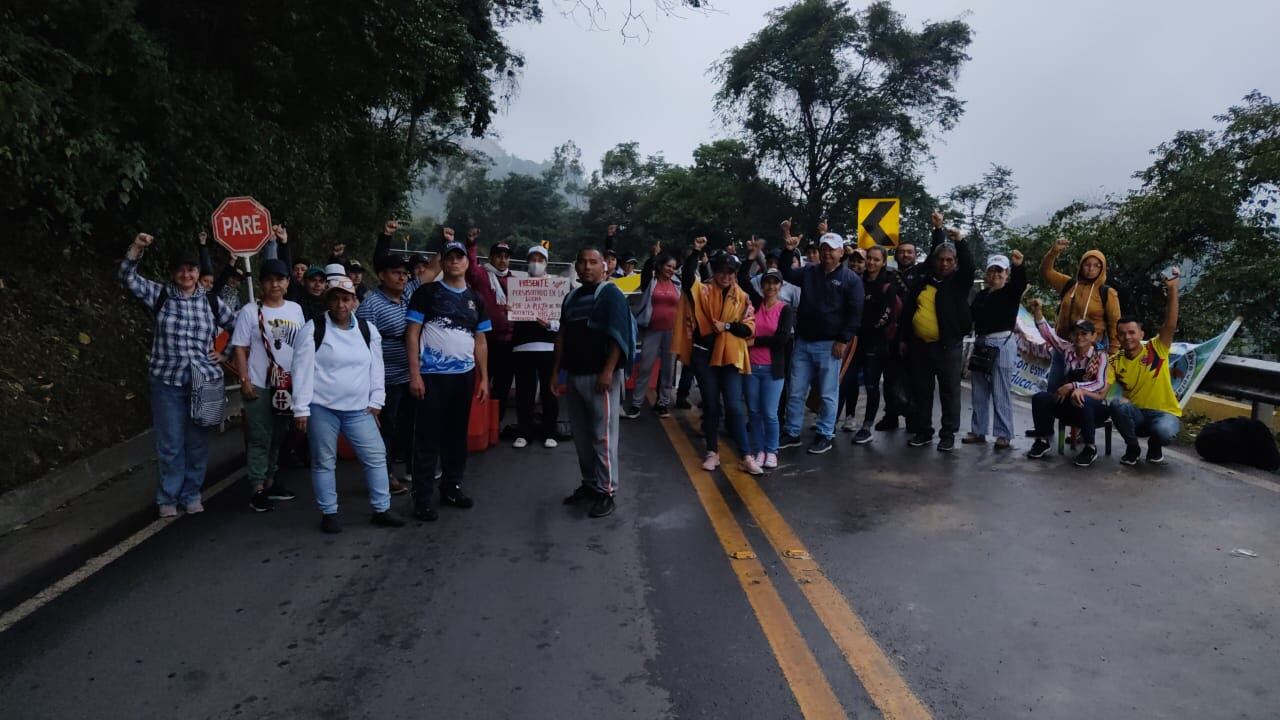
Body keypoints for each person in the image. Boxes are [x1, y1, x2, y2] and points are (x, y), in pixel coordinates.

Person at [120, 233, 238, 517]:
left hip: (204, 381)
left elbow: (237, 326)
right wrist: (136, 248)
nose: (187, 274)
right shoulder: (160, 295)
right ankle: (168, 497)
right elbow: (127, 277)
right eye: (181, 269)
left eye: (192, 269)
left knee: (197, 442)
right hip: (167, 381)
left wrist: (226, 353)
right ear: (173, 273)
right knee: (170, 443)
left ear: (199, 273)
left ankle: (192, 493)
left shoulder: (211, 301)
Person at [291, 270, 405, 533]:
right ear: (328, 301)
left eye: (346, 299)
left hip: (359, 408)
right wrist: (301, 409)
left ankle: (381, 508)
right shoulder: (314, 329)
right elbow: (302, 371)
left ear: (355, 301)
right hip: (322, 407)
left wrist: (377, 400)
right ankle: (329, 513)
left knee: (376, 457)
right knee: (323, 461)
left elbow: (377, 367)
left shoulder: (367, 329)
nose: (341, 305)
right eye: (336, 299)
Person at [405, 239, 491, 521]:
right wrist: (415, 374)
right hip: (431, 377)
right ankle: (422, 497)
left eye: (460, 257)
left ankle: (452, 487)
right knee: (427, 438)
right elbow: (413, 333)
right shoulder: (427, 293)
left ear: (467, 262)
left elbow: (480, 341)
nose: (455, 261)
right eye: (449, 257)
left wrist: (483, 378)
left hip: (464, 378)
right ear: (441, 262)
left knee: (456, 436)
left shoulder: (476, 299)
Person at [554, 247, 636, 519]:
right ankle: (589, 484)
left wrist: (608, 371)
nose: (587, 267)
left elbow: (619, 334)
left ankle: (606, 491)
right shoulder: (571, 298)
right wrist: (555, 373)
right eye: (582, 262)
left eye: (593, 262)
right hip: (575, 375)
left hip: (601, 378)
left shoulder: (610, 294)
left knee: (603, 437)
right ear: (576, 267)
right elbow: (562, 336)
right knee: (581, 437)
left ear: (604, 267)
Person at [777, 232, 863, 455]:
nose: (827, 252)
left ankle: (825, 433)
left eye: (832, 249)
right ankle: (792, 432)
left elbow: (855, 314)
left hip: (830, 345)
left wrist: (843, 339)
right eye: (824, 248)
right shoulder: (809, 272)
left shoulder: (851, 279)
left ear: (841, 252)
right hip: (804, 342)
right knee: (795, 391)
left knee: (827, 393)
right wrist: (788, 251)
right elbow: (785, 272)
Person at [355, 219, 424, 497]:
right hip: (384, 380)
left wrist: (449, 245)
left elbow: (429, 273)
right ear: (382, 275)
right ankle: (383, 477)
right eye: (395, 273)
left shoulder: (408, 294)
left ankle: (410, 470)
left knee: (409, 428)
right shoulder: (371, 304)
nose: (402, 277)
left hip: (410, 374)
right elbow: (360, 343)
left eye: (404, 274)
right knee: (385, 431)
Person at [231, 259, 305, 512]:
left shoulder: (295, 309)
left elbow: (301, 346)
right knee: (260, 437)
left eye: (280, 279)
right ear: (262, 283)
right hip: (260, 385)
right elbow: (240, 348)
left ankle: (271, 482)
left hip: (287, 386)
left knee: (279, 436)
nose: (275, 284)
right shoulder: (250, 312)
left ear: (287, 282)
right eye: (269, 280)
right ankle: (257, 488)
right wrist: (245, 380)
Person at [679, 252, 759, 473]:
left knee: (734, 405)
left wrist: (727, 326)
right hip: (704, 355)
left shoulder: (742, 297)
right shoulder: (702, 290)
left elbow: (749, 328)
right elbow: (687, 279)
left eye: (730, 272)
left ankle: (746, 455)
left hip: (730, 355)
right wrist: (695, 253)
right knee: (712, 404)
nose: (726, 276)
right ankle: (712, 451)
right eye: (722, 271)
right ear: (715, 271)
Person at [899, 229, 974, 451]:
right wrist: (904, 338)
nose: (944, 264)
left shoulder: (959, 282)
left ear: (955, 262)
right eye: (940, 260)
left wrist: (959, 241)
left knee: (949, 392)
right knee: (922, 391)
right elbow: (907, 312)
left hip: (948, 347)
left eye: (949, 260)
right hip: (920, 347)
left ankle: (948, 434)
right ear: (934, 261)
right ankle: (924, 431)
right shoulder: (923, 281)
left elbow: (969, 266)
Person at [1107, 268, 1183, 466]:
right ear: (1117, 337)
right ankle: (1132, 447)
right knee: (1116, 405)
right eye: (1122, 334)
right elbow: (1102, 388)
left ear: (1141, 334)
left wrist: (1173, 289)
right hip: (1137, 415)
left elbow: (1170, 324)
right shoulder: (1115, 361)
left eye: (1132, 332)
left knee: (1164, 431)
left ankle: (1155, 446)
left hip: (1165, 414)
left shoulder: (1156, 348)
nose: (1127, 337)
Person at [1025, 302, 1111, 466]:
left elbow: (1100, 384)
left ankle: (1090, 448)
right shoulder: (1067, 349)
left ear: (1094, 336)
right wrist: (1037, 311)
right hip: (1069, 405)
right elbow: (1048, 334)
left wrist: (1075, 387)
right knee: (1040, 398)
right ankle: (1043, 441)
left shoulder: (1100, 356)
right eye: (1076, 334)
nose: (1079, 337)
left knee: (1082, 401)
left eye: (1084, 334)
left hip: (1094, 409)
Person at [964, 251, 1028, 449]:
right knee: (979, 390)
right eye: (992, 270)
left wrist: (1019, 266)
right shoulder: (981, 295)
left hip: (1002, 343)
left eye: (1000, 271)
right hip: (982, 343)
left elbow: (1020, 284)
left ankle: (1003, 434)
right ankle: (978, 430)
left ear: (1007, 273)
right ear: (986, 273)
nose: (996, 274)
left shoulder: (1010, 292)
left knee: (1001, 391)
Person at [843, 245, 899, 444]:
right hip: (855, 341)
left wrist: (863, 328)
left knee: (871, 384)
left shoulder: (888, 285)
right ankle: (846, 418)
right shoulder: (857, 282)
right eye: (870, 259)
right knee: (847, 380)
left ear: (883, 261)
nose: (872, 263)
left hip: (876, 343)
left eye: (877, 259)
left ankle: (867, 425)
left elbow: (886, 315)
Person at [740, 267, 793, 469]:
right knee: (753, 412)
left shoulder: (785, 309)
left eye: (775, 282)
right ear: (761, 285)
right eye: (767, 282)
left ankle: (772, 450)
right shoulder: (756, 303)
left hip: (773, 369)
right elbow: (743, 278)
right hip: (751, 367)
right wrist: (753, 257)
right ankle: (759, 450)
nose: (771, 286)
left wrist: (755, 342)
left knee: (770, 413)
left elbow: (782, 339)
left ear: (780, 286)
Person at [511, 245, 563, 448]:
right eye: (532, 259)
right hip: (522, 346)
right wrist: (511, 310)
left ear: (546, 263)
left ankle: (550, 431)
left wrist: (549, 324)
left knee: (550, 391)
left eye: (540, 260)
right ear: (527, 263)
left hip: (549, 347)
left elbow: (562, 321)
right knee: (525, 391)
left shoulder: (555, 287)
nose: (536, 263)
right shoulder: (518, 286)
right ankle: (524, 431)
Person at [625, 242, 680, 419]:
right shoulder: (651, 282)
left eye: (674, 267)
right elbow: (648, 270)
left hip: (671, 332)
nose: (671, 270)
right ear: (661, 266)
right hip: (652, 331)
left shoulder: (677, 284)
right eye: (668, 266)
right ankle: (636, 404)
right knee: (645, 368)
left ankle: (662, 403)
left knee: (668, 370)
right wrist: (654, 256)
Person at [465, 233, 515, 428]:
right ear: (491, 258)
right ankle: (478, 424)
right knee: (480, 384)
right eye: (498, 255)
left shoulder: (515, 281)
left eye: (506, 256)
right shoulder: (481, 275)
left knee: (502, 387)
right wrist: (471, 244)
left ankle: (495, 425)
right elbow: (470, 267)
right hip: (485, 341)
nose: (502, 260)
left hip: (509, 341)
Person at [1040, 236, 1121, 348]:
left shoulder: (1107, 293)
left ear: (1102, 269)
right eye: (1087, 264)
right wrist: (1054, 252)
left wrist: (1113, 351)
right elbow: (1046, 272)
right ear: (1081, 266)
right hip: (1063, 345)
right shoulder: (1069, 285)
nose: (1091, 268)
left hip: (1093, 349)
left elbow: (1114, 324)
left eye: (1096, 266)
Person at [875, 241, 922, 432]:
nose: (905, 255)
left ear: (915, 254)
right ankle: (891, 415)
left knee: (913, 378)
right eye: (902, 252)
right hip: (891, 333)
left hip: (914, 333)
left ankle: (913, 418)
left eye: (909, 252)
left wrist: (938, 230)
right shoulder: (888, 275)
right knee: (890, 377)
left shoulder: (921, 274)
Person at [673, 235, 710, 410]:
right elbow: (688, 277)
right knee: (690, 364)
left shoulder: (710, 283)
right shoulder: (692, 282)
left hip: (710, 330)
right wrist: (696, 252)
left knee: (704, 367)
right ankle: (683, 396)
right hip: (694, 329)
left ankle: (707, 397)